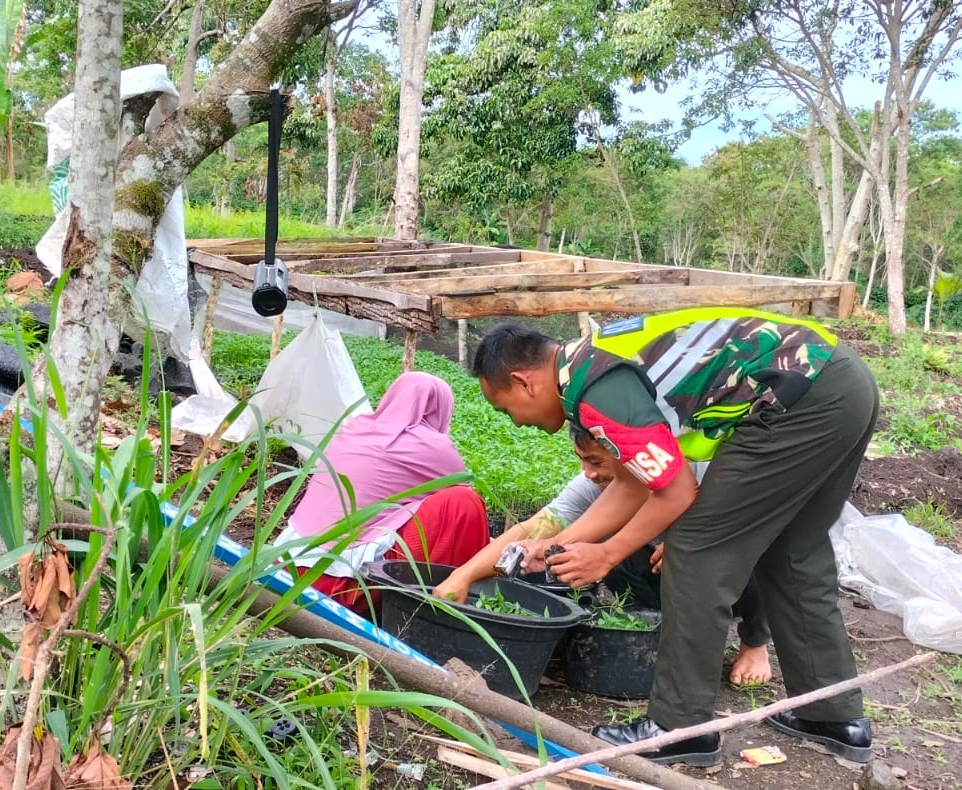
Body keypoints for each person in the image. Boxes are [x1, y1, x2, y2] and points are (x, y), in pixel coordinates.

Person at [470, 307, 879, 766]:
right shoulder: (599, 361)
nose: (515, 422)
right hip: (840, 381)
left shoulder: (596, 386)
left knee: (697, 547)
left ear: (526, 382)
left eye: (505, 408)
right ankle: (833, 715)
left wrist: (607, 555)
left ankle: (680, 729)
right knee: (794, 552)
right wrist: (556, 543)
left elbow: (676, 490)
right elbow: (632, 482)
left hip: (800, 395)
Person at [434, 426, 773, 686]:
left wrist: (691, 539)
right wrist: (462, 576)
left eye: (595, 461)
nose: (588, 472)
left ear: (628, 454)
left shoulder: (695, 470)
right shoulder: (592, 485)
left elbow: (754, 517)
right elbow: (534, 527)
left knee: (755, 548)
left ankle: (754, 643)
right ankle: (651, 620)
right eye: (582, 460)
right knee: (600, 544)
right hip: (666, 576)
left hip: (721, 562)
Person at [276, 371, 489, 616]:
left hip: (286, 566)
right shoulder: (434, 446)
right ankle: (449, 609)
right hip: (343, 584)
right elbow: (460, 497)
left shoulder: (356, 427)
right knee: (463, 503)